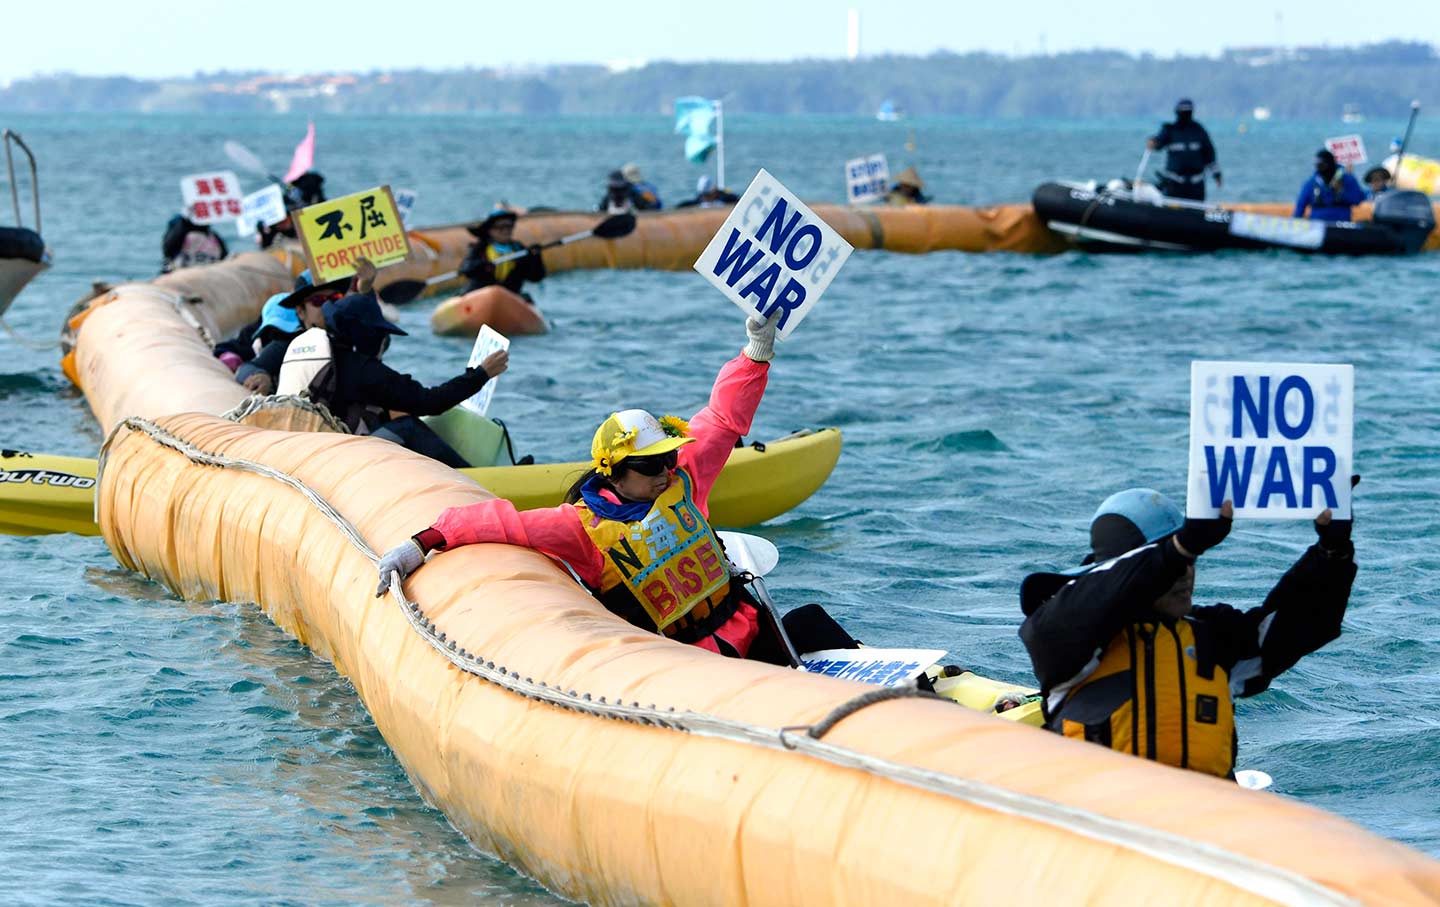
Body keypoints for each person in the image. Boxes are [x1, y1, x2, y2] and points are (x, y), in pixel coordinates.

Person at [375, 313, 857, 663]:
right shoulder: (581, 530)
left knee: (812, 618)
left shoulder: (682, 480)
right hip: (697, 668)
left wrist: (756, 351)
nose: (666, 470)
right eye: (651, 466)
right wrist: (421, 543)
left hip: (752, 631)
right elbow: (503, 522)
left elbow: (722, 418)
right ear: (615, 473)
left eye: (668, 458)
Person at [1018, 486, 1357, 779]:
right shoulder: (1063, 636)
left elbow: (1301, 625)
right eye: (1174, 563)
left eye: (1191, 561)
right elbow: (1090, 602)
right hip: (1105, 820)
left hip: (1198, 826)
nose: (1185, 574)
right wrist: (1180, 548)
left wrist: (1332, 552)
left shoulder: (1214, 636)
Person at [270, 258, 510, 468]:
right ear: (371, 337)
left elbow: (354, 316)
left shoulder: (318, 351)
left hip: (307, 453)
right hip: (340, 461)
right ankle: (475, 479)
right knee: (407, 426)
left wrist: (364, 289)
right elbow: (430, 401)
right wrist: (481, 374)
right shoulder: (364, 370)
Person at [215, 290, 305, 380]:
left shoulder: (304, 342)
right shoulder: (255, 336)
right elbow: (231, 346)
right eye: (274, 330)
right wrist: (226, 354)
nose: (280, 336)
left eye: (285, 332)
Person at [458, 207, 546, 299]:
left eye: (509, 226)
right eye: (500, 227)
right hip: (480, 297)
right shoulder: (480, 248)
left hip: (510, 298)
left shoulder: (519, 249)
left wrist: (536, 258)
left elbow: (536, 277)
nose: (506, 231)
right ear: (489, 230)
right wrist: (481, 265)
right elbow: (466, 269)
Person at [1147, 99, 1222, 201]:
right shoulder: (1170, 130)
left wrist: (1216, 175)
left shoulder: (1199, 131)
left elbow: (1210, 155)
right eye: (1182, 112)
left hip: (1196, 186)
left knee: (1195, 210)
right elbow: (1158, 143)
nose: (1185, 115)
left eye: (1187, 112)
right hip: (1174, 184)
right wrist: (1153, 143)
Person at [1294, 149, 1366, 221]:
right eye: (1318, 165)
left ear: (1330, 164)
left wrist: (1341, 191)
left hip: (1341, 223)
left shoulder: (1347, 179)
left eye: (1322, 165)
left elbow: (1358, 199)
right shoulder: (1311, 182)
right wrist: (1295, 222)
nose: (1320, 168)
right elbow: (1301, 204)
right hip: (1318, 225)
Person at [161, 214, 228, 273]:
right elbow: (167, 250)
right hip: (183, 277)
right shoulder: (181, 231)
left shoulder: (213, 236)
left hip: (202, 278)